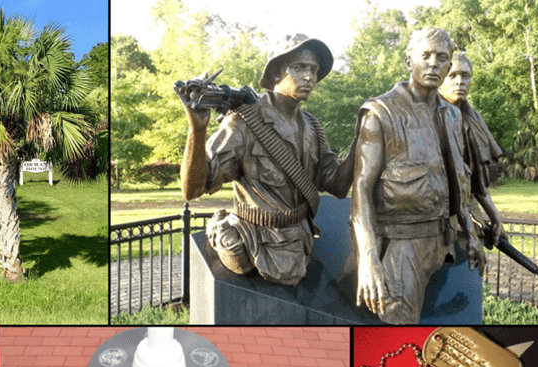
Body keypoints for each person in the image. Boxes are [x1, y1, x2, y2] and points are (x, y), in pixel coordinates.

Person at [176, 34, 354, 286]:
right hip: (255, 240)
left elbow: (336, 185)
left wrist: (363, 138)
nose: (309, 77)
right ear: (276, 74)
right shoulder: (243, 123)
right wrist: (197, 131)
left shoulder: (312, 126)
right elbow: (192, 190)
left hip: (298, 237)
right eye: (299, 68)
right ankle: (222, 232)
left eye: (313, 70)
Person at [350, 27, 485, 324]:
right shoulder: (381, 112)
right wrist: (369, 258)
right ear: (409, 60)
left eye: (442, 58)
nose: (434, 64)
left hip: (444, 240)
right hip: (402, 244)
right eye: (425, 56)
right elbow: (361, 187)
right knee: (398, 321)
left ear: (449, 65)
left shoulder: (452, 115)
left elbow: (457, 178)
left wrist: (471, 233)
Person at [438, 51, 504, 247]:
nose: (460, 82)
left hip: (466, 208)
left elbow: (477, 180)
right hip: (437, 213)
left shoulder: (472, 118)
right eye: (452, 75)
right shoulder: (428, 116)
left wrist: (495, 216)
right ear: (440, 80)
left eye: (465, 76)